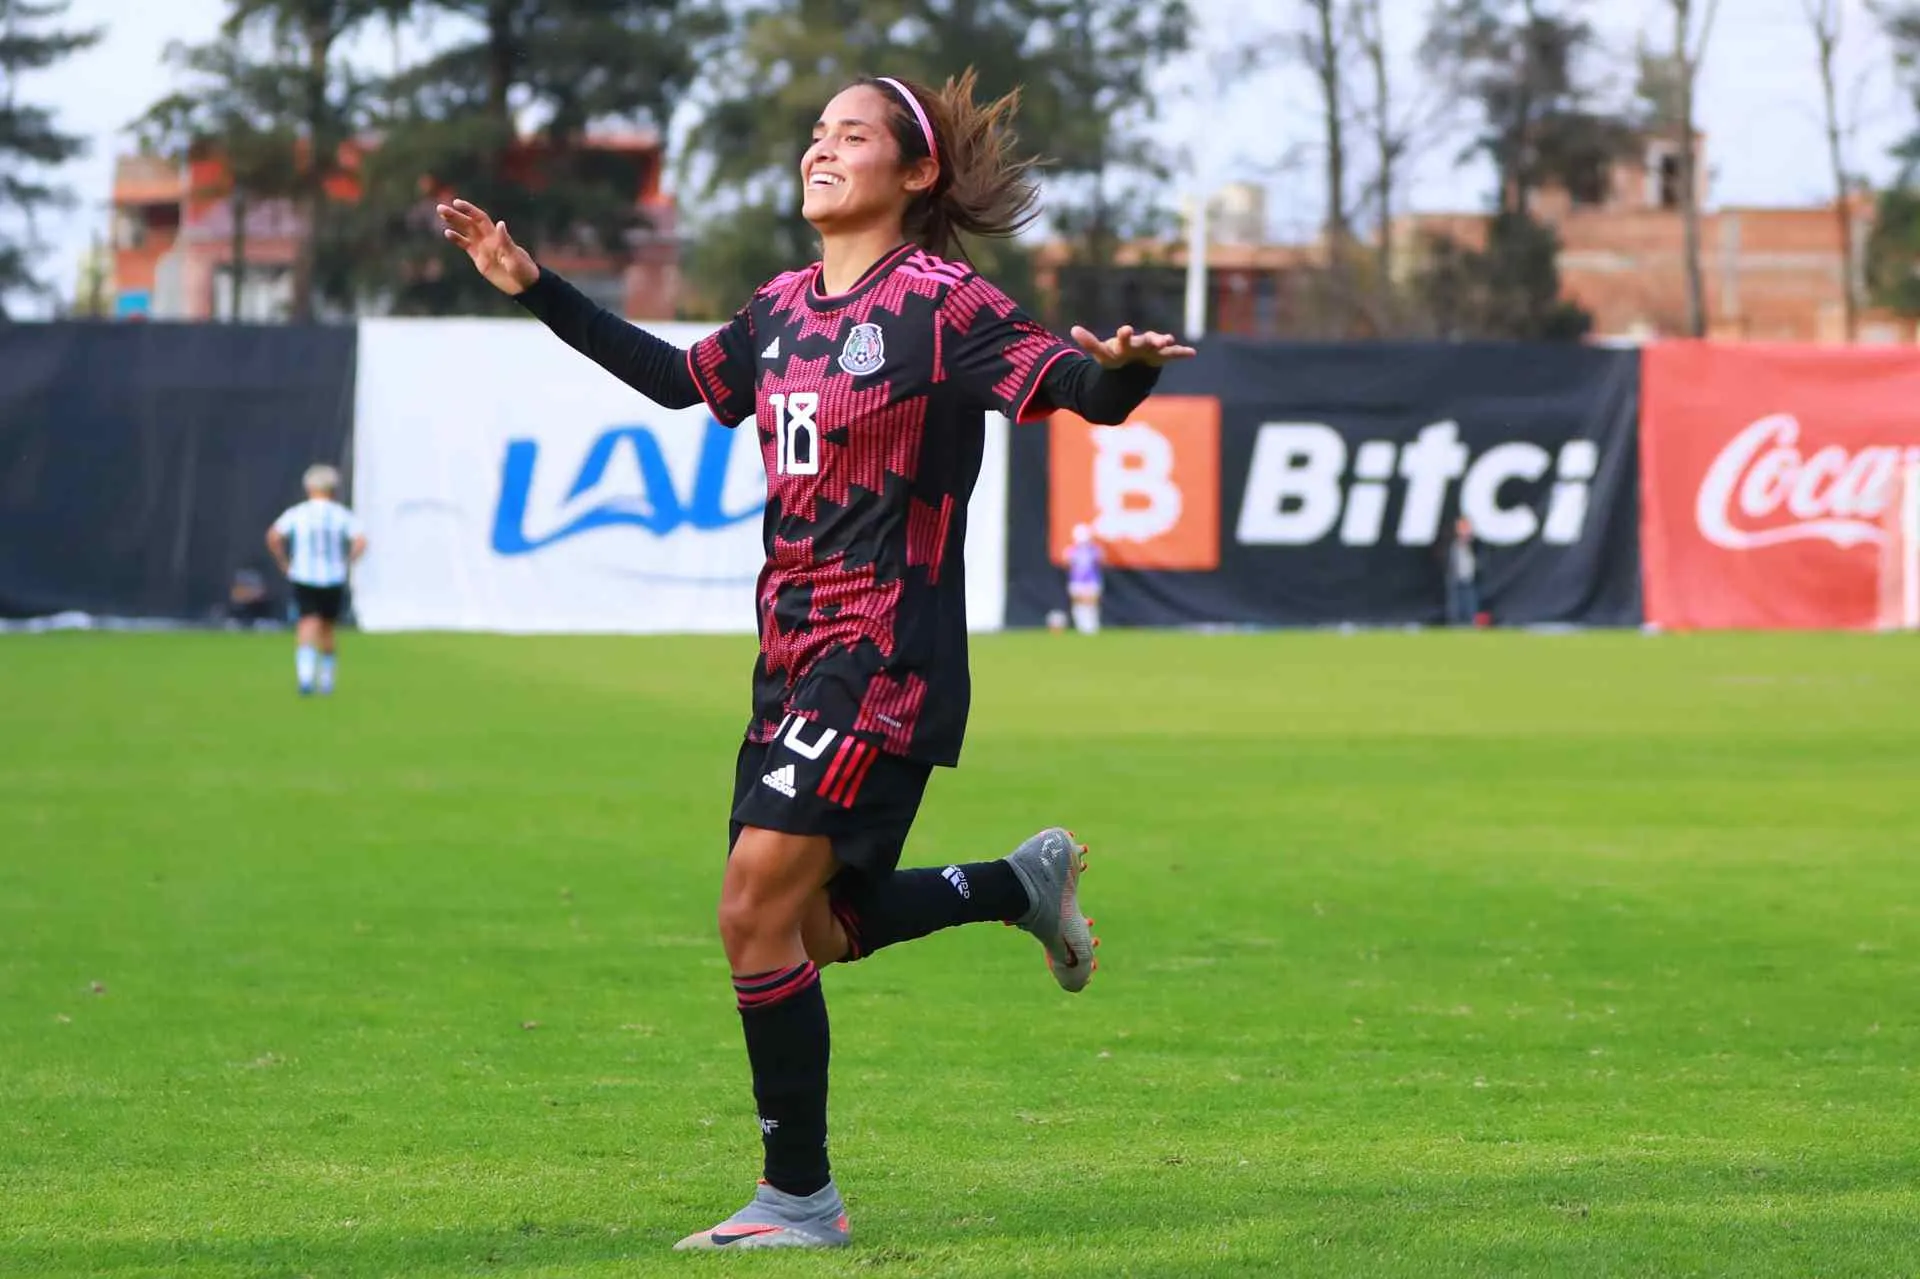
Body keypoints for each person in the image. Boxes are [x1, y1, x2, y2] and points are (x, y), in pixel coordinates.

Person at [439, 68, 1194, 1252]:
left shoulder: (945, 304)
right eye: (815, 133)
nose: (819, 149)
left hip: (884, 653)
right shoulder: (783, 306)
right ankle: (1016, 885)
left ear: (918, 169)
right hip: (790, 658)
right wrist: (533, 286)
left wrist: (1132, 370)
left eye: (851, 134)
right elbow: (680, 381)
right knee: (816, 929)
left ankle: (799, 1196)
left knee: (751, 911)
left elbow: (1082, 390)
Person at [266, 464, 366, 696]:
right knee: (327, 628)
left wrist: (284, 562)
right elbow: (361, 540)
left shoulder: (299, 513)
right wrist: (347, 561)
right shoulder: (340, 514)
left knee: (306, 624)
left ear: (309, 487)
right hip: (333, 577)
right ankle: (327, 681)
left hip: (304, 575)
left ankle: (306, 678)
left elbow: (273, 536)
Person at [1064, 523, 1106, 634]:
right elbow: (1068, 563)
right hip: (1077, 581)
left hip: (1092, 580)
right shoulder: (1072, 550)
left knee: (1091, 604)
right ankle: (1081, 626)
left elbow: (1100, 561)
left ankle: (1092, 627)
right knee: (1078, 604)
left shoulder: (1095, 550)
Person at [1445, 515, 1480, 627]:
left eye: (1465, 527)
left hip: (1470, 576)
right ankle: (1455, 622)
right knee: (1455, 602)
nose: (1463, 530)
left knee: (1470, 600)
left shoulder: (1475, 543)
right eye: (1461, 527)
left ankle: (1470, 622)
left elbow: (1481, 558)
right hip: (1455, 576)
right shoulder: (1452, 542)